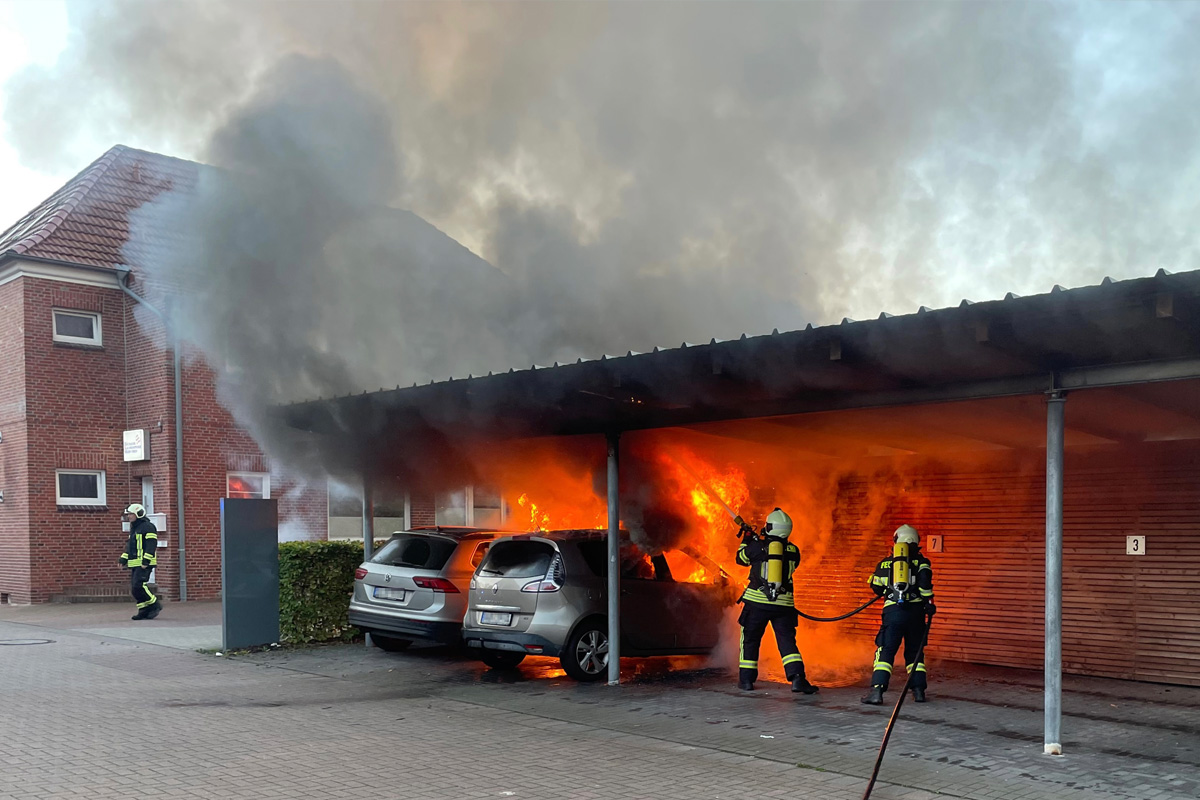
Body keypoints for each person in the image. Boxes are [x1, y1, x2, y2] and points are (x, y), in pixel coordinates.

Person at [735, 507, 819, 694]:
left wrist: (747, 539)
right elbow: (791, 566)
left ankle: (747, 681)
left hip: (756, 603)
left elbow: (740, 559)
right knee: (787, 642)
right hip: (783, 605)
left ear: (769, 526)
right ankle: (797, 679)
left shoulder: (757, 547)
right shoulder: (794, 551)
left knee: (750, 640)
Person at [861, 524, 935, 704]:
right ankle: (918, 692)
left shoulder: (886, 562)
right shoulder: (922, 562)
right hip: (916, 614)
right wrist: (929, 602)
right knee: (914, 652)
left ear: (896, 540)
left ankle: (877, 692)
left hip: (893, 613)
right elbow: (925, 585)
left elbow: (876, 587)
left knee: (886, 651)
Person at [119, 503, 161, 620]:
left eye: (131, 514)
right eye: (128, 514)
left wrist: (146, 561)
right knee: (134, 589)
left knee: (139, 586)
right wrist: (123, 559)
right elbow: (130, 546)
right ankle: (143, 610)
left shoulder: (148, 527)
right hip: (135, 563)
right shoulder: (134, 528)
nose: (129, 517)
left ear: (139, 514)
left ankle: (154, 604)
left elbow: (151, 545)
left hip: (144, 563)